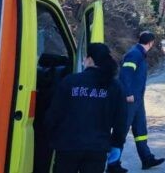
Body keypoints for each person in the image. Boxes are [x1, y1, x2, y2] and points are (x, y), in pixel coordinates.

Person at [45, 43, 127, 173]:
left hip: (67, 146)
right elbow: (121, 121)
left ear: (90, 59)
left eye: (85, 58)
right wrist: (117, 144)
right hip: (97, 148)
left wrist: (50, 138)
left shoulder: (70, 81)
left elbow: (54, 114)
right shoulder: (115, 86)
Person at [107, 32, 165, 172]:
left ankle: (147, 159)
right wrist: (128, 94)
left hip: (138, 100)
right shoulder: (134, 54)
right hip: (130, 99)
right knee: (121, 131)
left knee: (141, 130)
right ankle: (113, 164)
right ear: (151, 43)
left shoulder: (139, 54)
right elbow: (125, 74)